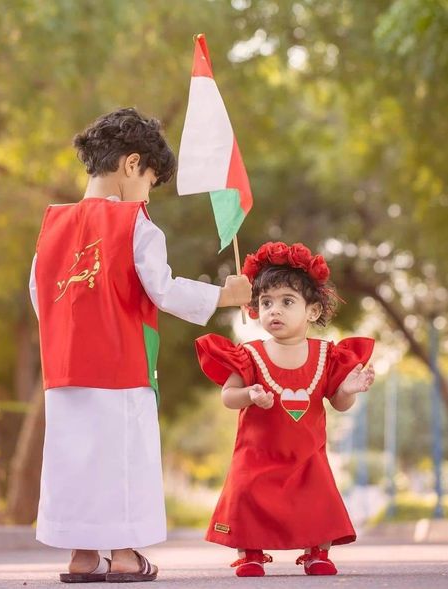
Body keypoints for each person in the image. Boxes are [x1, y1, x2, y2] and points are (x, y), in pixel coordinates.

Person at [29, 106, 251, 583]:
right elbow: (163, 289)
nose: (148, 192)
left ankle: (82, 556)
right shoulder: (137, 225)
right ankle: (127, 555)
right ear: (132, 165)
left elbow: (38, 294)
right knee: (124, 457)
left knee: (72, 458)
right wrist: (224, 295)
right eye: (151, 180)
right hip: (120, 364)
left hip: (65, 368)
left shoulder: (51, 228)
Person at [195, 241, 375, 577]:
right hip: (257, 455)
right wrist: (248, 394)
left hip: (306, 455)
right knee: (248, 492)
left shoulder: (327, 355)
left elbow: (338, 402)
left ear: (313, 311)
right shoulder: (249, 354)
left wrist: (348, 390)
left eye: (286, 302)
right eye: (266, 303)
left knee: (316, 494)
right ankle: (250, 551)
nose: (274, 310)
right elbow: (228, 395)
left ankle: (317, 551)